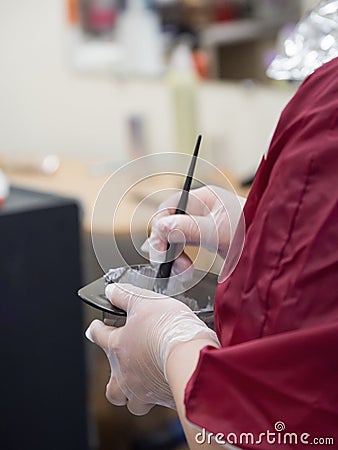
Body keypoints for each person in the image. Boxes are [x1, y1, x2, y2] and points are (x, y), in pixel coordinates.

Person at [85, 56, 338, 449]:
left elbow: (277, 432)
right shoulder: (325, 96)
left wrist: (172, 349)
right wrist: (259, 230)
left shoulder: (329, 112)